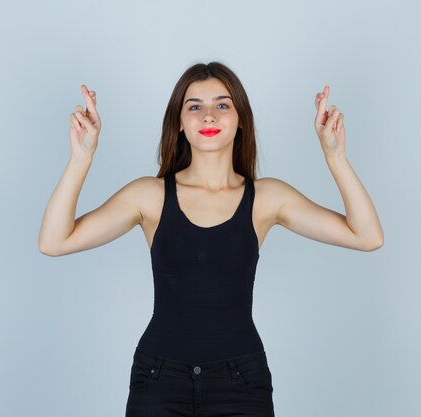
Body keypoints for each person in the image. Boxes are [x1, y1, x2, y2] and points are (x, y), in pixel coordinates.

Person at [38, 61, 384, 417]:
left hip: (241, 383)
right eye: (194, 106)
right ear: (179, 122)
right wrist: (82, 157)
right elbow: (54, 241)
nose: (208, 116)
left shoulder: (266, 198)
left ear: (240, 120)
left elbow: (367, 235)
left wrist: (335, 156)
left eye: (222, 105)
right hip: (159, 380)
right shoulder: (149, 196)